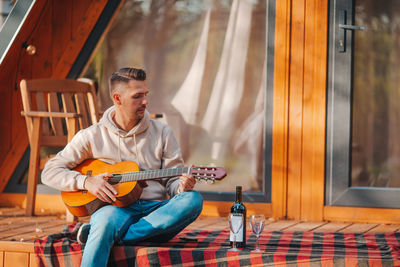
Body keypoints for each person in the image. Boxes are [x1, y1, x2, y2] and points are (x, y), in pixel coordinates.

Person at [41, 67, 203, 267]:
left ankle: (114, 235)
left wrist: (181, 187)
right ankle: (109, 232)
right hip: (114, 209)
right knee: (104, 223)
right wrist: (86, 181)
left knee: (192, 200)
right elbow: (49, 171)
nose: (145, 101)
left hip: (155, 211)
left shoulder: (163, 132)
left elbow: (171, 183)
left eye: (145, 95)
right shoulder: (91, 136)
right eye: (137, 96)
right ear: (117, 99)